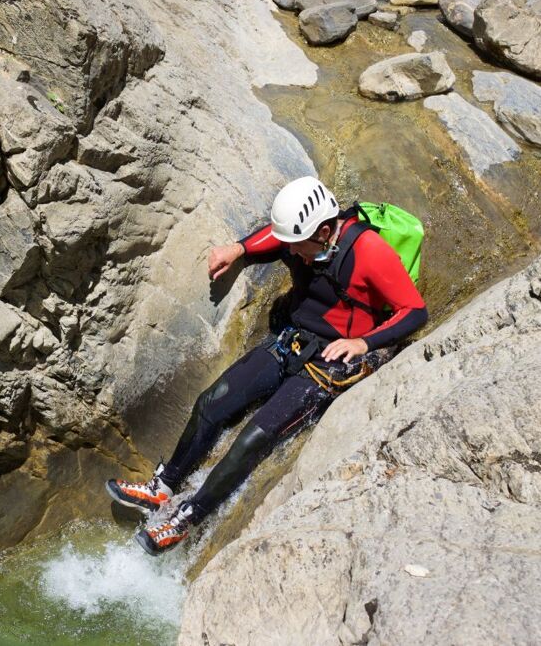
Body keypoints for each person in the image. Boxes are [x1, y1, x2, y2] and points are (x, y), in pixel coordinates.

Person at [106, 176, 428, 555]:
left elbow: (415, 310)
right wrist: (238, 249)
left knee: (253, 438)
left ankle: (188, 516)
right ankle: (164, 486)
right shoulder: (301, 240)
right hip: (291, 339)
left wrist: (363, 342)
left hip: (328, 365)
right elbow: (275, 239)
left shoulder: (368, 251)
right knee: (212, 402)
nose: (293, 254)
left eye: (299, 247)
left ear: (324, 231)